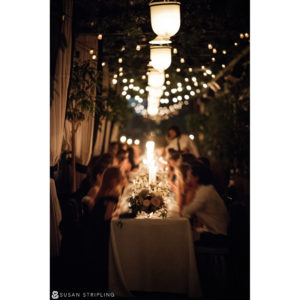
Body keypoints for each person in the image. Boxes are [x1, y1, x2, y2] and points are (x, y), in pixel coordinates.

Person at [84, 167, 125, 290]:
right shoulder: (113, 193)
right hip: (102, 231)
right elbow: (107, 217)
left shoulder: (102, 191)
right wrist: (117, 213)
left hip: (92, 228)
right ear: (115, 179)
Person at [180, 162, 229, 246]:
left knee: (182, 239)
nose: (186, 179)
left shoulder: (205, 192)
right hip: (213, 231)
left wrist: (185, 191)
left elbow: (186, 211)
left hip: (218, 236)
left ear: (196, 178)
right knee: (184, 236)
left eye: (189, 176)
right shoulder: (204, 190)